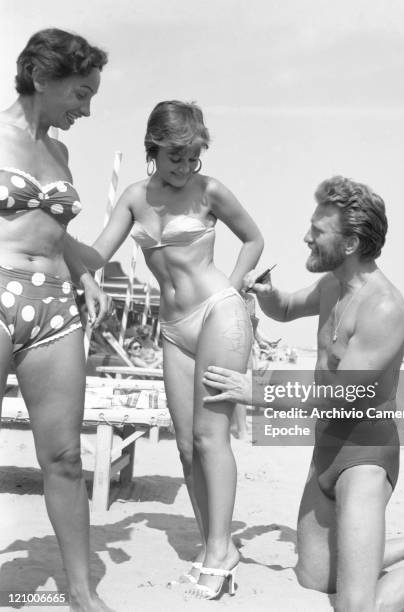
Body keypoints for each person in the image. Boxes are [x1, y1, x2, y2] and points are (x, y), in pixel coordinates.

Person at [202, 176, 404, 611]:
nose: (306, 237)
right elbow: (284, 308)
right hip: (326, 446)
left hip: (364, 455)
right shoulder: (331, 286)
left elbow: (343, 395)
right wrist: (266, 294)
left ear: (351, 243)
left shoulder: (385, 309)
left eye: (318, 232)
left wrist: (257, 393)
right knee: (314, 576)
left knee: (356, 607)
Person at [69, 100, 263, 599]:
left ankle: (221, 552)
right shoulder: (135, 198)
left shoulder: (209, 191)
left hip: (219, 312)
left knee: (210, 438)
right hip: (173, 328)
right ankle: (212, 543)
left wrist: (237, 288)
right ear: (153, 149)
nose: (184, 167)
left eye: (192, 157)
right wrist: (60, 248)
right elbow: (96, 252)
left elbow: (253, 239)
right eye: (175, 157)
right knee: (183, 443)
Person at [0, 29, 111, 611]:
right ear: (43, 78)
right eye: (81, 93)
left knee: (65, 457)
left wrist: (87, 274)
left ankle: (80, 591)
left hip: (54, 307)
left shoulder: (60, 153)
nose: (86, 110)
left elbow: (55, 228)